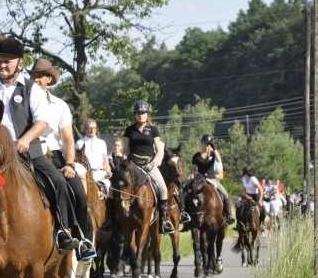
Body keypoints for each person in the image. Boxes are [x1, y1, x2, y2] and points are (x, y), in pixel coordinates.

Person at [0, 36, 89, 257]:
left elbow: (43, 122)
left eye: (7, 61)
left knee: (58, 181)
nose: (2, 65)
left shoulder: (31, 89)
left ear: (20, 64)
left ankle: (64, 232)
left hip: (28, 153)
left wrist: (25, 139)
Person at [27, 58, 96, 261]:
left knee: (78, 193)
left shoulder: (60, 106)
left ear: (49, 79)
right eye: (33, 75)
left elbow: (67, 139)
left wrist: (69, 164)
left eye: (40, 76)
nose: (36, 79)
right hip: (30, 154)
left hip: (56, 157)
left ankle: (84, 240)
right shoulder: (21, 101)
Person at [122, 100, 183, 234]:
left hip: (149, 164)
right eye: (138, 113)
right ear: (134, 115)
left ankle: (163, 220)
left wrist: (153, 163)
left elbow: (159, 151)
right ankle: (113, 219)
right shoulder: (129, 130)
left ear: (147, 114)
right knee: (119, 185)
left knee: (163, 189)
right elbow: (125, 150)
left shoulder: (153, 130)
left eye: (143, 113)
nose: (140, 115)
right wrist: (125, 163)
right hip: (133, 165)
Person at [191, 134, 236, 225]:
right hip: (200, 179)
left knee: (225, 193)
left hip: (212, 179)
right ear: (201, 143)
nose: (206, 146)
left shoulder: (213, 155)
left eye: (208, 144)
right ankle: (186, 217)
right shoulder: (196, 156)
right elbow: (193, 170)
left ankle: (230, 215)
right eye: (204, 143)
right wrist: (196, 176)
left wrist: (214, 149)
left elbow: (219, 160)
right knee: (188, 192)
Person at [76, 119, 113, 190]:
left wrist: (108, 172)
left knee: (108, 188)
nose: (92, 130)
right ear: (85, 129)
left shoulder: (102, 143)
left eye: (94, 128)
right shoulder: (79, 143)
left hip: (100, 174)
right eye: (89, 128)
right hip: (85, 174)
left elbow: (105, 160)